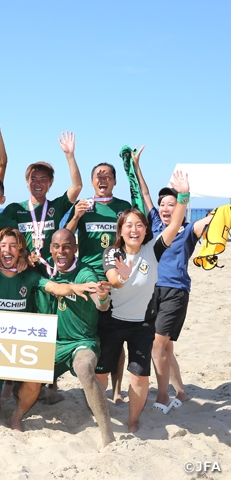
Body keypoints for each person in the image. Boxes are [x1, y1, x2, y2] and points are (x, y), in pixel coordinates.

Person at [0, 227, 99, 430]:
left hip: (19, 349)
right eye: (3, 246)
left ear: (20, 251)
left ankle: (19, 404)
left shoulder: (29, 276)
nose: (7, 250)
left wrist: (73, 287)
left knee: (36, 376)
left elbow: (54, 287)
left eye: (13, 246)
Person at [97, 171, 190, 433]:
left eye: (139, 225)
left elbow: (175, 223)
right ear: (121, 230)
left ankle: (134, 420)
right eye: (128, 225)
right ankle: (99, 411)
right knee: (100, 374)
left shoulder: (153, 250)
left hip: (142, 325)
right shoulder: (112, 252)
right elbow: (113, 279)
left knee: (139, 376)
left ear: (145, 230)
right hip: (112, 322)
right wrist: (121, 277)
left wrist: (183, 196)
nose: (134, 229)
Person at [132, 147, 212, 411]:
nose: (166, 209)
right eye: (163, 204)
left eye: (172, 204)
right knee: (167, 350)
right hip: (151, 291)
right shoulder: (154, 223)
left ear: (180, 208)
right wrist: (136, 165)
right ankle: (182, 393)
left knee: (158, 345)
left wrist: (188, 196)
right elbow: (144, 194)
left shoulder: (188, 229)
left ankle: (163, 396)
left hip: (175, 291)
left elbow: (211, 222)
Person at [38, 229, 115, 447]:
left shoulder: (85, 274)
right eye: (56, 246)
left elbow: (101, 304)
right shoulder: (47, 271)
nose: (61, 251)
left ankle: (107, 434)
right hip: (52, 343)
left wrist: (102, 298)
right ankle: (49, 392)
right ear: (50, 248)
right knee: (22, 386)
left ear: (75, 249)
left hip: (81, 342)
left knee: (83, 367)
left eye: (66, 247)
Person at [65, 161, 132, 403]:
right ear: (92, 181)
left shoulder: (123, 207)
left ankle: (117, 389)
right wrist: (76, 215)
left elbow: (133, 238)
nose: (102, 179)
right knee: (93, 335)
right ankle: (93, 386)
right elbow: (65, 235)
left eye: (107, 175)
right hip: (89, 278)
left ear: (114, 181)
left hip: (116, 278)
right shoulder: (84, 206)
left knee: (117, 336)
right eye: (98, 175)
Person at [2, 132, 82, 256]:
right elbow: (2, 235)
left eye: (43, 180)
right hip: (24, 267)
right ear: (27, 182)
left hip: (51, 267)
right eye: (33, 179)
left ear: (51, 182)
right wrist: (23, 255)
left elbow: (77, 187)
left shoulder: (56, 206)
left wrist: (69, 155)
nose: (37, 184)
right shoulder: (15, 209)